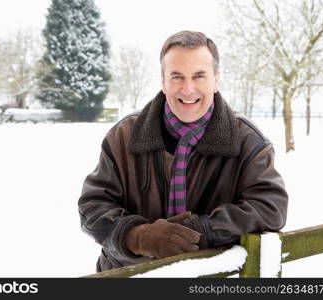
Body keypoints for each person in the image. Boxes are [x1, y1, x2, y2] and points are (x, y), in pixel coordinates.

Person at [78, 30, 288, 272]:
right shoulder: (123, 136)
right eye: (177, 77)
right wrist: (139, 236)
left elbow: (270, 208)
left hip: (209, 280)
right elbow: (93, 207)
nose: (188, 89)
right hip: (129, 277)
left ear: (216, 79)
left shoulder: (249, 141)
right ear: (163, 81)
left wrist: (202, 231)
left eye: (199, 76)